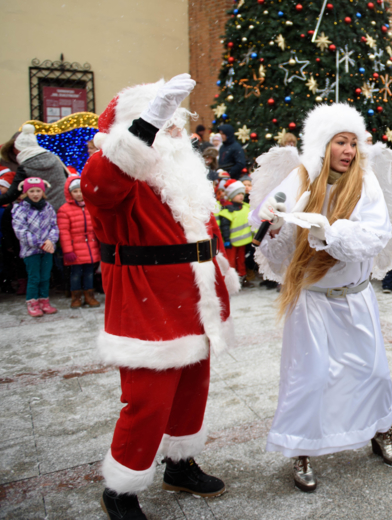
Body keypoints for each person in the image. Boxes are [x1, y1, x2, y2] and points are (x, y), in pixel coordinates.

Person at [82, 75, 236, 518]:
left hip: (196, 304)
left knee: (192, 389)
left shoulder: (183, 178)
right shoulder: (117, 176)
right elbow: (101, 183)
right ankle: (121, 489)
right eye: (158, 122)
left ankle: (179, 464)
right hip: (146, 307)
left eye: (172, 123)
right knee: (148, 401)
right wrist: (146, 124)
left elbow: (205, 235)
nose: (171, 130)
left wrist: (223, 276)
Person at [251, 103, 392, 493]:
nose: (349, 151)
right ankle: (301, 449)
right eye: (341, 141)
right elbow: (274, 232)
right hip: (312, 300)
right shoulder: (300, 176)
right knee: (311, 376)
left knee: (373, 373)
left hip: (354, 299)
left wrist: (328, 233)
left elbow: (375, 235)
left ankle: (380, 431)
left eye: (354, 143)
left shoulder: (366, 181)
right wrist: (271, 226)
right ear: (323, 145)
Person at [12, 177, 59, 317]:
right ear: (26, 193)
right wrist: (41, 243)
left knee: (45, 276)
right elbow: (21, 231)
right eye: (31, 191)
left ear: (43, 192)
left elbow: (54, 226)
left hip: (48, 250)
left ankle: (44, 300)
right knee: (34, 277)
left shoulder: (48, 207)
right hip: (31, 251)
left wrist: (51, 240)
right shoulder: (20, 209)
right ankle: (32, 302)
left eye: (38, 190)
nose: (35, 194)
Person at [57, 174, 100, 308]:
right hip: (75, 248)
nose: (78, 194)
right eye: (75, 191)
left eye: (81, 190)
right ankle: (76, 297)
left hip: (90, 247)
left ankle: (89, 295)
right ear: (70, 193)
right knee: (75, 274)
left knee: (89, 273)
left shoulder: (90, 207)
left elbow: (97, 227)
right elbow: (64, 232)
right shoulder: (64, 210)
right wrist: (68, 250)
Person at [13, 124, 69, 211]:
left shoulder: (25, 166)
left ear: (20, 149)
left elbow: (12, 194)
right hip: (63, 207)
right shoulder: (54, 158)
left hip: (41, 211)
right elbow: (67, 179)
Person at [217, 179, 252, 288]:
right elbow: (225, 227)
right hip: (232, 242)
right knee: (231, 262)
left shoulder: (246, 207)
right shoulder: (227, 210)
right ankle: (230, 282)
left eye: (242, 193)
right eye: (238, 194)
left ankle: (242, 278)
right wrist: (226, 240)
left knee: (241, 261)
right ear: (232, 195)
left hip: (244, 241)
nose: (241, 196)